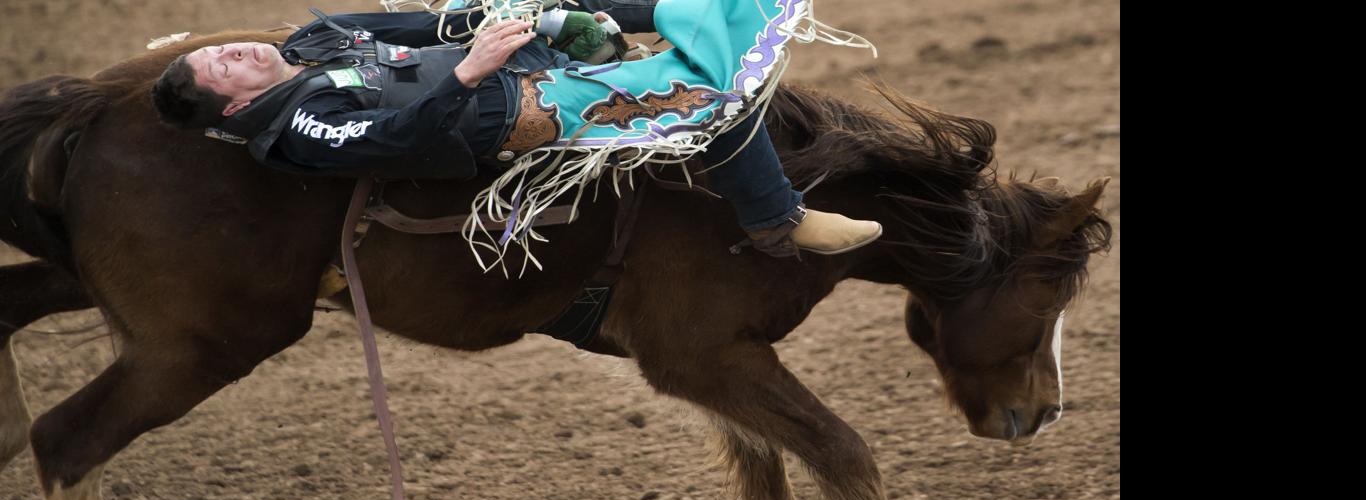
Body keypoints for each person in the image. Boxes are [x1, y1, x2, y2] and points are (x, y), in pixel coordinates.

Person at [150, 2, 881, 257]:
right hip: (510, 107)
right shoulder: (298, 127)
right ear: (233, 108)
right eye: (218, 67)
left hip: (497, 60)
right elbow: (398, 141)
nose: (228, 50)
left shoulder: (316, 39)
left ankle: (641, 22)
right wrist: (471, 69)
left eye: (215, 47)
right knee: (704, 98)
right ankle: (774, 218)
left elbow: (421, 26)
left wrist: (482, 19)